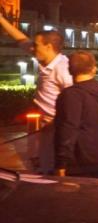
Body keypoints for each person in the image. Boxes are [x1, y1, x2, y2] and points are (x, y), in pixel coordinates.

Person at [0, 14, 72, 173]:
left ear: (48, 47)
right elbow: (21, 39)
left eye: (36, 44)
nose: (32, 48)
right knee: (43, 163)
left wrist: (58, 122)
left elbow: (73, 101)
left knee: (54, 168)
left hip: (56, 126)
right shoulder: (44, 60)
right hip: (44, 124)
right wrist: (1, 20)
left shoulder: (63, 69)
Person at [53, 51, 98, 178]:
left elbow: (68, 129)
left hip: (81, 163)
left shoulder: (71, 95)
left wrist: (61, 164)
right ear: (94, 69)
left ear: (70, 70)